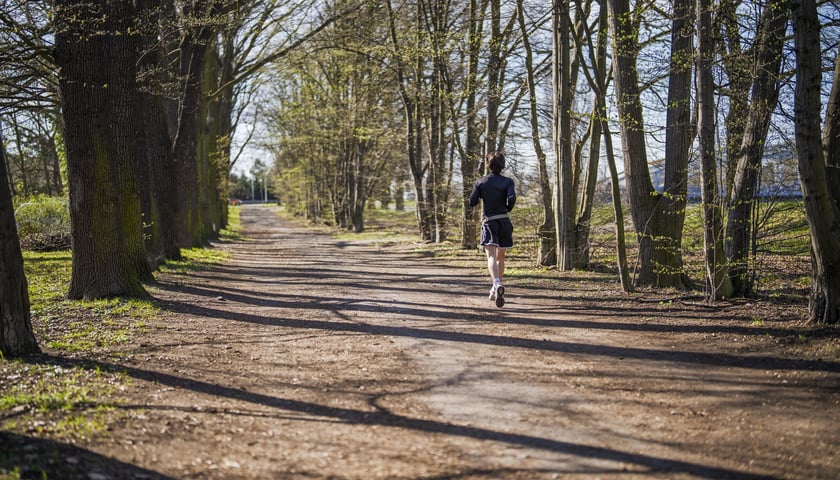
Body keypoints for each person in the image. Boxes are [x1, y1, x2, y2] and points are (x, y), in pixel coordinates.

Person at [469, 151, 516, 307]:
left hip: (489, 222)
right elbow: (512, 198)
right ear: (503, 165)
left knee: (491, 256)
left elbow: (472, 201)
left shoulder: (481, 182)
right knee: (500, 258)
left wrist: (481, 195)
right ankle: (496, 290)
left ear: (488, 164)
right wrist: (508, 208)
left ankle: (496, 283)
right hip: (504, 221)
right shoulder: (508, 182)